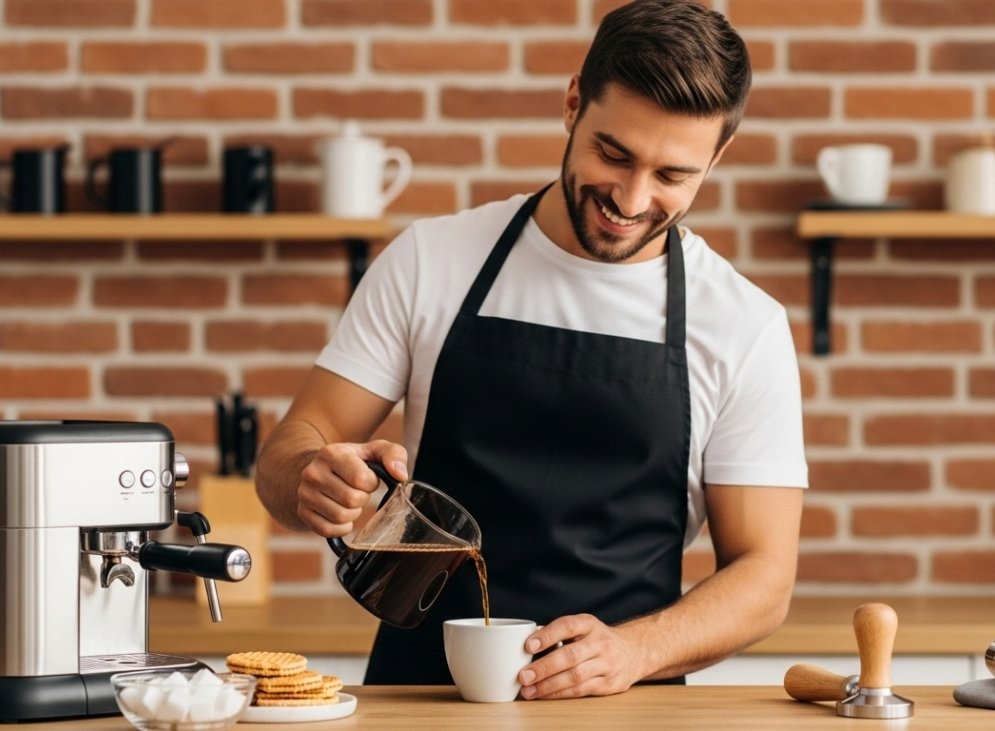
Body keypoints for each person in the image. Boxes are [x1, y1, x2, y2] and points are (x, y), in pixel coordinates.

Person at [255, 0, 807, 700]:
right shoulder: (433, 260)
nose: (633, 199)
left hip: (626, 706)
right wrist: (310, 475)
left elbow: (766, 577)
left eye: (673, 175)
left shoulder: (742, 324)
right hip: (421, 700)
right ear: (574, 103)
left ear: (718, 156)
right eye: (615, 153)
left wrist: (637, 648)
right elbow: (283, 456)